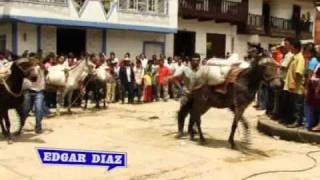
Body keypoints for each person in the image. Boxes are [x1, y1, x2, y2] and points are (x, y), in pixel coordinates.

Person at [21, 56, 46, 134]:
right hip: (28, 91)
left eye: (34, 60)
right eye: (31, 60)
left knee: (39, 109)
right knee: (25, 109)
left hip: (39, 92)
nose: (32, 61)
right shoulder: (27, 69)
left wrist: (41, 62)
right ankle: (20, 126)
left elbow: (43, 67)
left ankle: (38, 127)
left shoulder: (39, 67)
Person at [284, 39, 305, 128]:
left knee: (297, 106)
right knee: (292, 105)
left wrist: (293, 83)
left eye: (291, 46)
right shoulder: (294, 57)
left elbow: (298, 72)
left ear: (295, 47)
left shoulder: (300, 58)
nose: (290, 48)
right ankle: (291, 120)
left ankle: (297, 122)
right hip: (291, 87)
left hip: (297, 87)